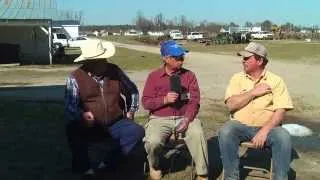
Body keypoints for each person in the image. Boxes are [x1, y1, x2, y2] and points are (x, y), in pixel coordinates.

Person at [64, 39, 145, 178]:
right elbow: (71, 105)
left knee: (136, 131)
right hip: (91, 124)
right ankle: (84, 167)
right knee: (72, 128)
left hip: (116, 121)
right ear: (89, 62)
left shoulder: (115, 71)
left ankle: (108, 162)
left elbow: (132, 90)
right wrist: (82, 115)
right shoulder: (75, 77)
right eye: (99, 60)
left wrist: (131, 110)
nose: (104, 62)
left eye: (103, 58)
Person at [219, 42, 294, 180]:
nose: (243, 60)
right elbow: (230, 105)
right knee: (226, 131)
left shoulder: (276, 81)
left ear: (259, 60)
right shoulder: (237, 78)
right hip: (240, 125)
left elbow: (281, 110)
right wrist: (253, 92)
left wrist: (264, 131)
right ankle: (231, 177)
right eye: (243, 58)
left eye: (247, 58)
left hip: (269, 127)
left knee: (283, 137)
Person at [142, 40, 209, 180]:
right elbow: (146, 102)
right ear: (165, 58)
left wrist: (187, 118)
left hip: (184, 117)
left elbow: (194, 100)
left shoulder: (189, 76)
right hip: (160, 118)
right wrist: (164, 100)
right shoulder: (153, 76)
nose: (181, 60)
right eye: (177, 57)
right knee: (152, 141)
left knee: (197, 133)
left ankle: (202, 173)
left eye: (182, 57)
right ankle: (155, 165)